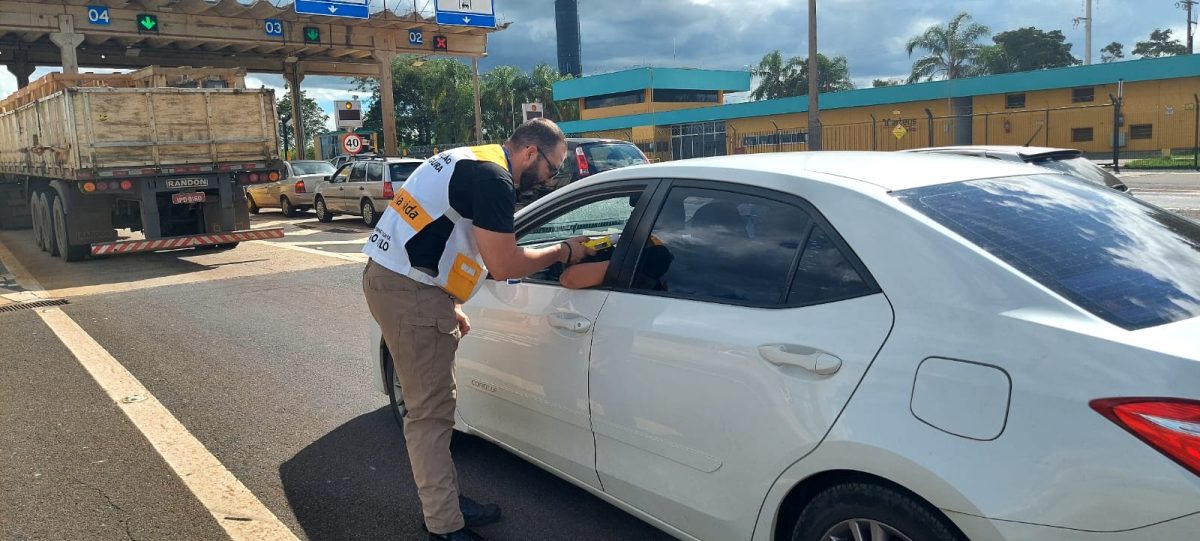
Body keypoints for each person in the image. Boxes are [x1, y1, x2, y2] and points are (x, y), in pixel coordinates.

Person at [361, 119, 591, 541]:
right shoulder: (494, 178)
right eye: (553, 168)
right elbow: (504, 265)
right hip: (410, 292)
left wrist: (446, 301)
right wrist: (566, 250)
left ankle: (444, 501)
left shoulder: (472, 159)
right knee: (430, 414)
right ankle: (444, 526)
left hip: (402, 283)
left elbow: (436, 234)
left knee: (435, 407)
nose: (551, 178)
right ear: (529, 153)